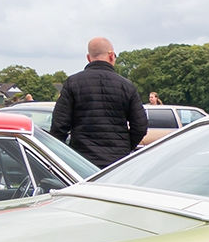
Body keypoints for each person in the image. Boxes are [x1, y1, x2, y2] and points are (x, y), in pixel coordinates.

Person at [50, 36, 148, 168]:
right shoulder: (126, 86)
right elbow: (140, 125)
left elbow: (59, 126)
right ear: (112, 56)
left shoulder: (72, 83)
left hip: (81, 160)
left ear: (88, 58)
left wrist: (66, 155)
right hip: (117, 161)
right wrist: (125, 146)